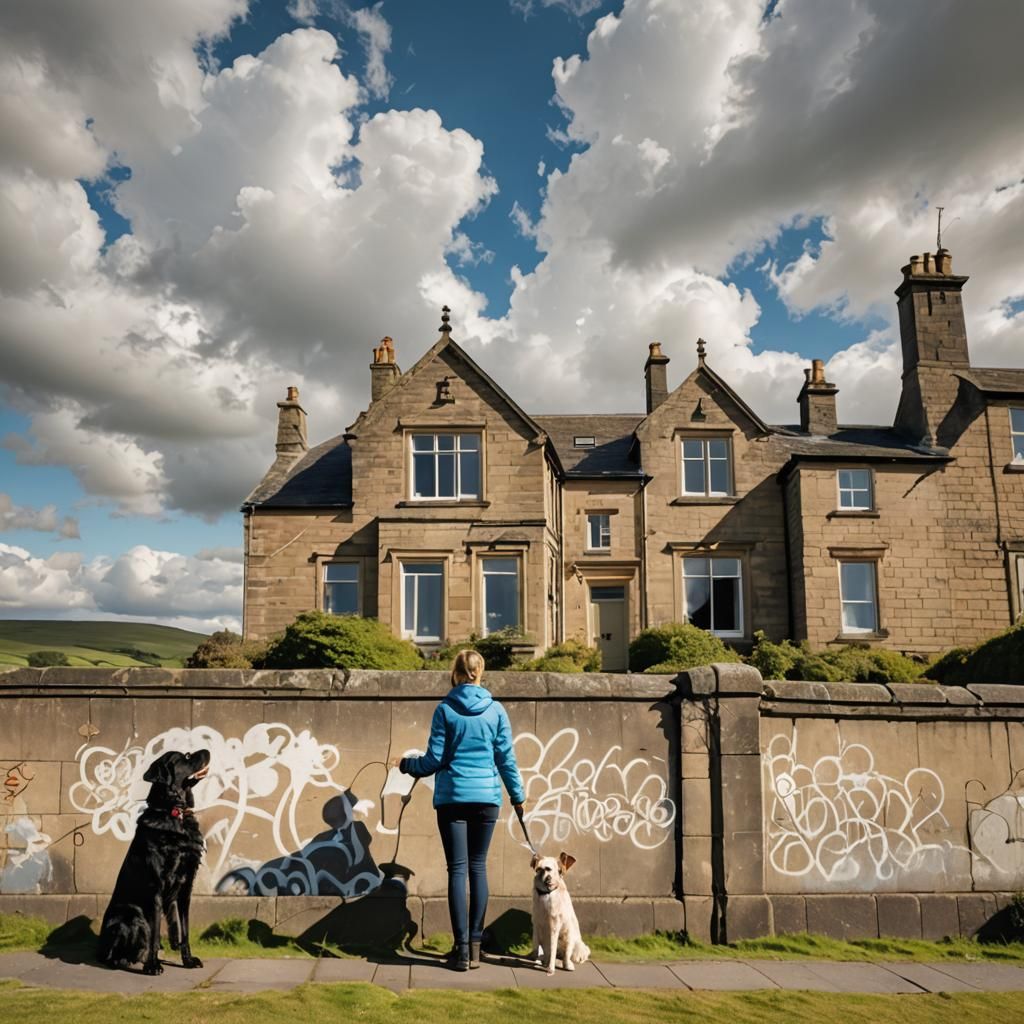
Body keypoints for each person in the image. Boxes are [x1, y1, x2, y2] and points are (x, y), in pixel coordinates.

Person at [398, 649, 526, 971]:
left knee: (457, 869)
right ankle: (477, 947)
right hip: (486, 799)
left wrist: (405, 765)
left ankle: (461, 950)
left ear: (455, 673)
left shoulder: (445, 710)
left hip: (453, 798)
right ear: (480, 673)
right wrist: (518, 796)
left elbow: (433, 761)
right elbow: (506, 759)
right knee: (478, 867)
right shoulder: (496, 711)